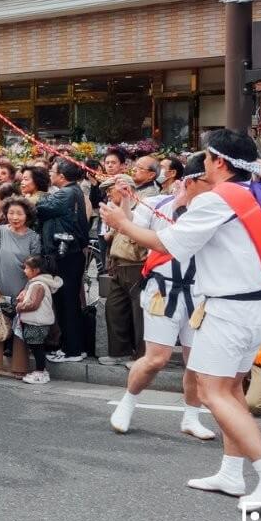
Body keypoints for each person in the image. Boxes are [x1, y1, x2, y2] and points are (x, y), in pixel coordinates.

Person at [100, 129, 261, 509]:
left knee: (213, 392)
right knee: (232, 390)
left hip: (229, 310)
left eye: (206, 158)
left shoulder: (216, 200)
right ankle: (231, 472)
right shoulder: (251, 194)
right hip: (256, 308)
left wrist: (120, 223)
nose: (202, 165)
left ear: (219, 162)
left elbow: (167, 244)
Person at [108, 153, 216, 439]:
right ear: (189, 181)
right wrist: (126, 199)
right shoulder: (158, 203)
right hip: (163, 288)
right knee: (156, 358)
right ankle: (128, 402)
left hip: (200, 291)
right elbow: (132, 226)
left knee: (197, 360)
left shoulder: (217, 209)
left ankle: (191, 416)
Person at [100, 159, 160, 365]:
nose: (109, 194)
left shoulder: (141, 208)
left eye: (112, 190)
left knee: (139, 312)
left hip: (137, 265)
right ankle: (119, 352)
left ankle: (141, 356)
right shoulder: (115, 210)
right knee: (114, 309)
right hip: (119, 265)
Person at [36, 159, 91, 363]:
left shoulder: (65, 193)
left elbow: (42, 207)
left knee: (66, 301)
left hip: (67, 253)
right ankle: (74, 347)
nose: (50, 174)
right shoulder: (73, 191)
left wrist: (39, 198)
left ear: (62, 176)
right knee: (68, 301)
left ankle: (72, 350)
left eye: (52, 171)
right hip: (71, 252)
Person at [0, 197, 41, 377]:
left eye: (19, 214)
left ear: (27, 215)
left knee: (20, 327)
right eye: (11, 213)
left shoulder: (34, 237)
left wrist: (27, 288)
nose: (14, 217)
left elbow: (35, 268)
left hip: (23, 285)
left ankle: (20, 366)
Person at [14, 256, 62, 384]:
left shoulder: (38, 285)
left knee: (37, 348)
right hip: (38, 321)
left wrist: (19, 306)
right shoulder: (38, 284)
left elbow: (33, 304)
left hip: (37, 322)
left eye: (27, 268)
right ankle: (41, 370)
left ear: (36, 270)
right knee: (37, 347)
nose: (24, 271)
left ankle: (41, 372)